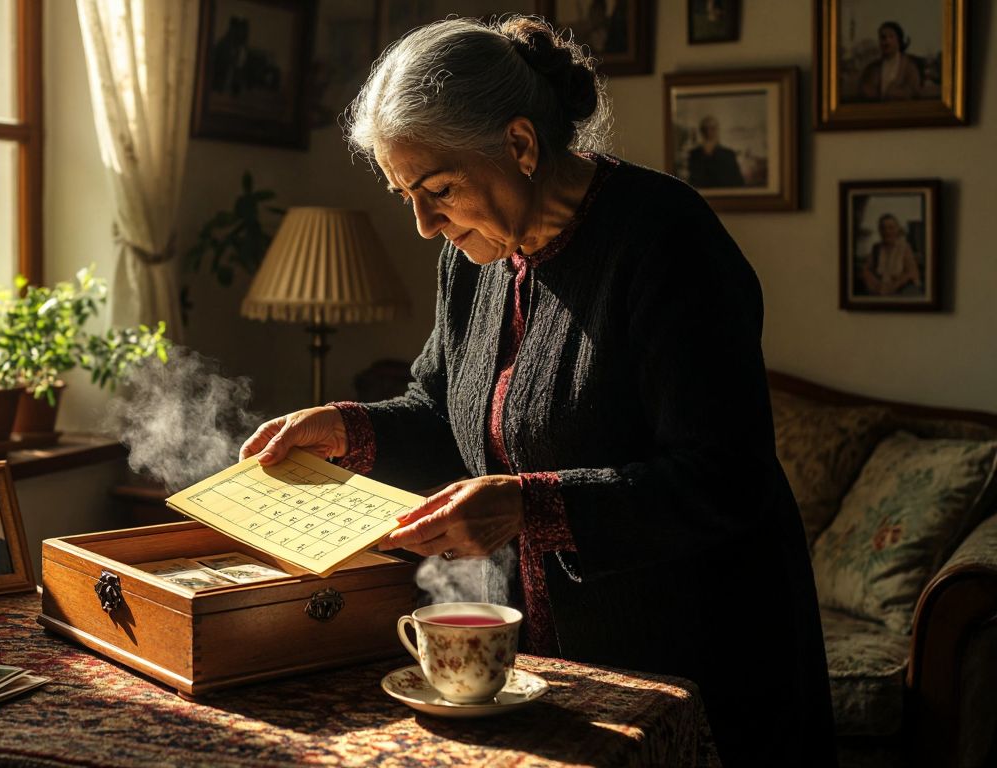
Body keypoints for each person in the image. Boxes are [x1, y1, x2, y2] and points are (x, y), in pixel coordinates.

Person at [240, 17, 834, 765]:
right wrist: (343, 428)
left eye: (439, 189)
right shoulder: (473, 258)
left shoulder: (668, 241)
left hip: (694, 661)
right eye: (405, 195)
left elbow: (725, 479)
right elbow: (443, 412)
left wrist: (529, 505)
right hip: (543, 670)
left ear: (520, 145)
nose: (423, 224)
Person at [858, 21, 922, 101]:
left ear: (899, 40)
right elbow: (864, 91)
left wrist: (895, 93)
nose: (887, 41)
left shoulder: (909, 67)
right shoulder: (872, 68)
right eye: (883, 37)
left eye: (891, 37)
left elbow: (913, 92)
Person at [861, 213, 921, 296]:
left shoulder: (905, 247)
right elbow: (866, 270)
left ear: (897, 229)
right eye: (883, 228)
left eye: (891, 228)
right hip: (879, 288)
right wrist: (875, 285)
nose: (887, 231)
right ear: (879, 230)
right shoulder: (876, 247)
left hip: (900, 289)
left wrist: (892, 286)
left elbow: (911, 272)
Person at [686, 115, 746, 188]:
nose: (708, 132)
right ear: (701, 131)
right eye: (705, 129)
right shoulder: (694, 154)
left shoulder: (728, 155)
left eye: (712, 128)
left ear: (717, 130)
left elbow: (738, 182)